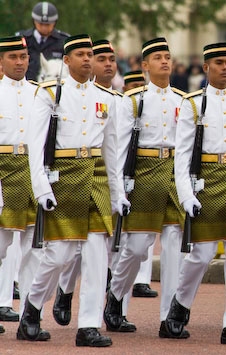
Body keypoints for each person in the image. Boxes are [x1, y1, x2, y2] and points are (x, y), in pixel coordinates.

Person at [17, 34, 119, 347]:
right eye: (81, 54)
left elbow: (112, 151)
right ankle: (32, 308)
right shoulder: (50, 93)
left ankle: (88, 326)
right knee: (58, 255)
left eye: (91, 54)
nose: (88, 60)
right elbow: (36, 145)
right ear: (67, 60)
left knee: (95, 254)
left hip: (97, 178)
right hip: (63, 178)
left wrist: (117, 193)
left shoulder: (107, 97)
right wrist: (40, 186)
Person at [165, 42, 226, 345]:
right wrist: (186, 195)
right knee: (201, 255)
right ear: (206, 68)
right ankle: (179, 305)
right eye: (219, 63)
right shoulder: (193, 104)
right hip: (206, 180)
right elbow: (182, 156)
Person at [104, 37, 186, 337]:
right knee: (137, 248)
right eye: (158, 57)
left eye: (167, 56)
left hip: (175, 174)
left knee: (175, 247)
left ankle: (170, 317)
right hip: (145, 174)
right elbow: (120, 147)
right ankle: (115, 297)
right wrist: (119, 188)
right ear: (145, 65)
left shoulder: (182, 100)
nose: (165, 61)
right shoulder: (133, 100)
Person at [0, 35, 44, 338]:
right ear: (1, 61)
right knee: (1, 244)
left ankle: (29, 317)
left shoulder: (41, 94)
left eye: (23, 57)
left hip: (32, 170)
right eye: (13, 57)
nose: (19, 62)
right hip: (2, 171)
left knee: (32, 246)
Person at [15, 2, 69, 82]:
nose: (44, 27)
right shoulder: (21, 38)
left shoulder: (64, 41)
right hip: (25, 86)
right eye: (40, 24)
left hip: (52, 88)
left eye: (48, 24)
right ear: (34, 21)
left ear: (54, 23)